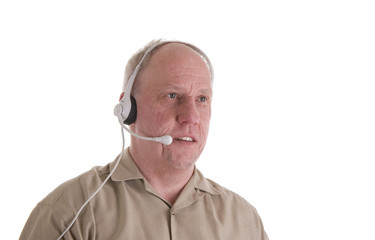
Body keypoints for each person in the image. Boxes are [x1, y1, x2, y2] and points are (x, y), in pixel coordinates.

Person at [20, 39, 268, 240]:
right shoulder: (70, 212)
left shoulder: (245, 220)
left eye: (202, 99)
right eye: (172, 95)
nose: (191, 117)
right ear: (128, 108)